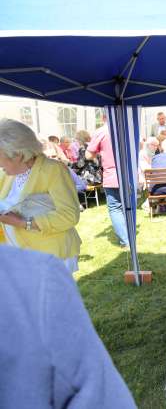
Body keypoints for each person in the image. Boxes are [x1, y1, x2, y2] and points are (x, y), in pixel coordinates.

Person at [0, 245, 136, 409]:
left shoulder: (36, 279)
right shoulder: (35, 278)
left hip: (56, 250)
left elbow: (68, 218)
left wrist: (25, 223)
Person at [0, 119, 82, 274]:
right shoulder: (7, 174)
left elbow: (69, 215)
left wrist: (23, 223)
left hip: (51, 256)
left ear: (18, 154)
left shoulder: (53, 170)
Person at [86, 118, 129, 248]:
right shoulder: (127, 129)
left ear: (104, 117)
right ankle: (129, 237)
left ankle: (125, 241)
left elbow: (88, 155)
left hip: (112, 174)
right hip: (129, 173)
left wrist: (101, 152)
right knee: (128, 206)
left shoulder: (102, 131)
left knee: (115, 208)